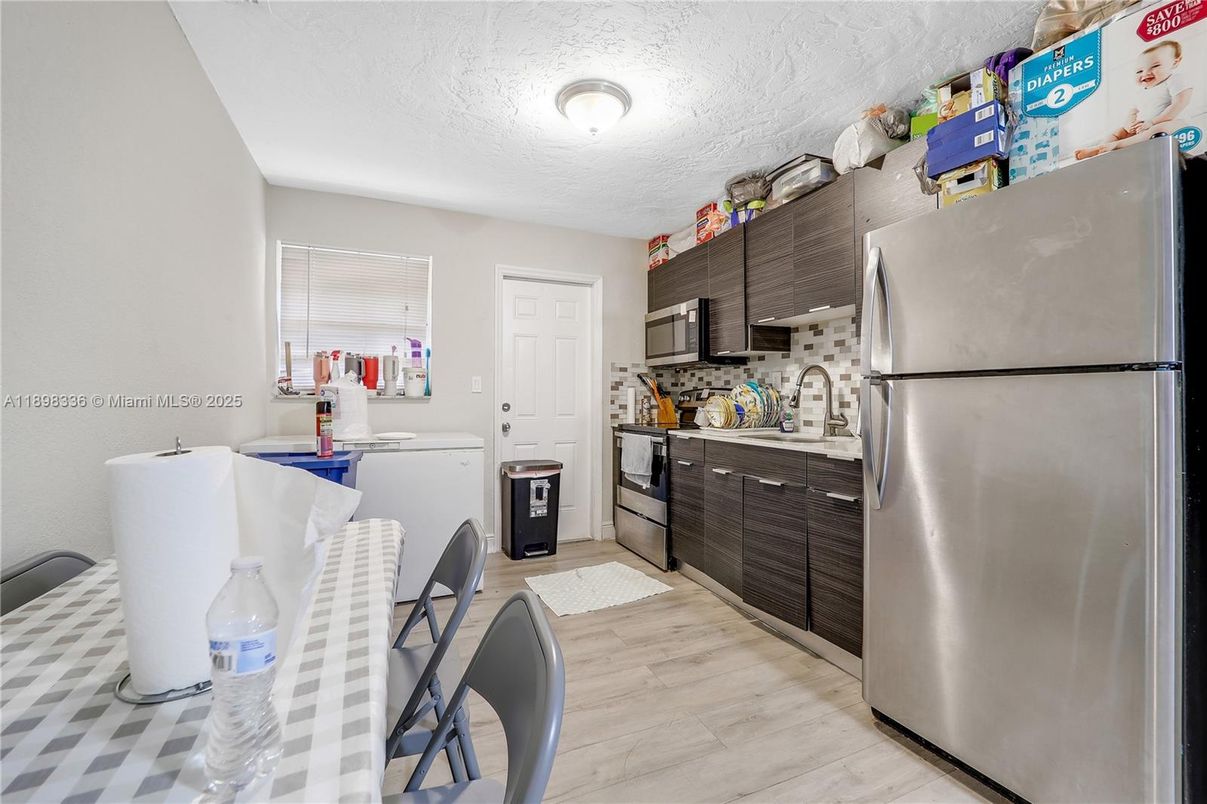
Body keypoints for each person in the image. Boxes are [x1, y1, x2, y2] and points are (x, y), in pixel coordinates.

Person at [1075, 40, 1194, 159]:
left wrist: (1152, 122)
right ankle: (1101, 148)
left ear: (1175, 63)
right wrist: (1129, 125)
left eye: (1156, 66)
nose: (1146, 73)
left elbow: (1180, 103)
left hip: (1174, 124)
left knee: (1158, 130)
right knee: (1118, 132)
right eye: (1139, 71)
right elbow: (1133, 111)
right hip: (1143, 126)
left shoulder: (1174, 79)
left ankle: (1115, 146)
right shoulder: (1142, 91)